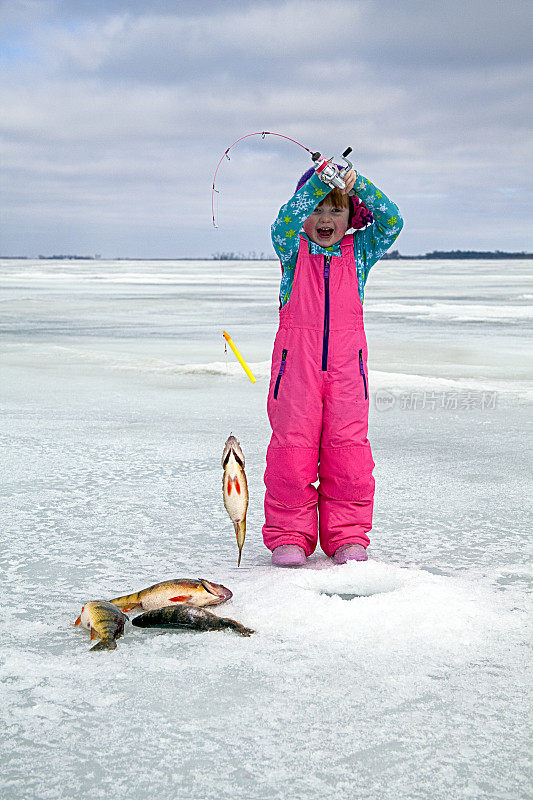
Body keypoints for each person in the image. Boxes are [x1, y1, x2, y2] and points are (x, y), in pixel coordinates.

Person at [262, 159, 403, 566]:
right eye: (317, 209)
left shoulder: (358, 253)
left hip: (347, 374)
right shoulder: (292, 251)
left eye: (336, 209)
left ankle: (348, 536)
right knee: (293, 450)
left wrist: (360, 185)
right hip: (295, 372)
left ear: (350, 216)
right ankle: (290, 535)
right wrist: (314, 187)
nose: (326, 218)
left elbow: (392, 221)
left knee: (349, 452)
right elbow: (281, 225)